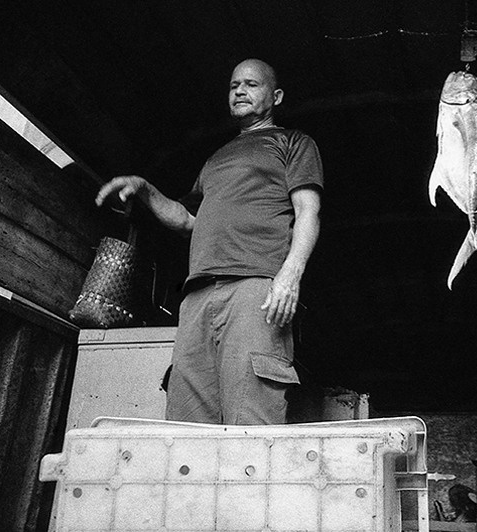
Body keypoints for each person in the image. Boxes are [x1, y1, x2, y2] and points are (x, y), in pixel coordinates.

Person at [95, 59, 323, 425]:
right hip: (197, 295)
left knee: (251, 417)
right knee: (187, 418)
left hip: (255, 290)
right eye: (234, 86)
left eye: (251, 84)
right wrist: (144, 188)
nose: (240, 91)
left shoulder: (293, 142)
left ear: (276, 96)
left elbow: (307, 211)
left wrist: (289, 276)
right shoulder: (216, 158)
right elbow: (187, 220)